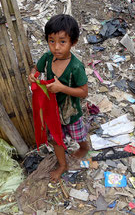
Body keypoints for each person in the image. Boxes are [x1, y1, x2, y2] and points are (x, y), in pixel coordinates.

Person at [29, 14, 89, 182]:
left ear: (73, 42)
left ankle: (84, 147)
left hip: (70, 112)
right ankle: (62, 165)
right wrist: (33, 75)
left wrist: (62, 88)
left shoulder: (76, 67)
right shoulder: (47, 58)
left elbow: (84, 92)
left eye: (62, 42)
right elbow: (36, 69)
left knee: (78, 136)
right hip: (52, 112)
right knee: (56, 139)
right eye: (51, 41)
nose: (56, 47)